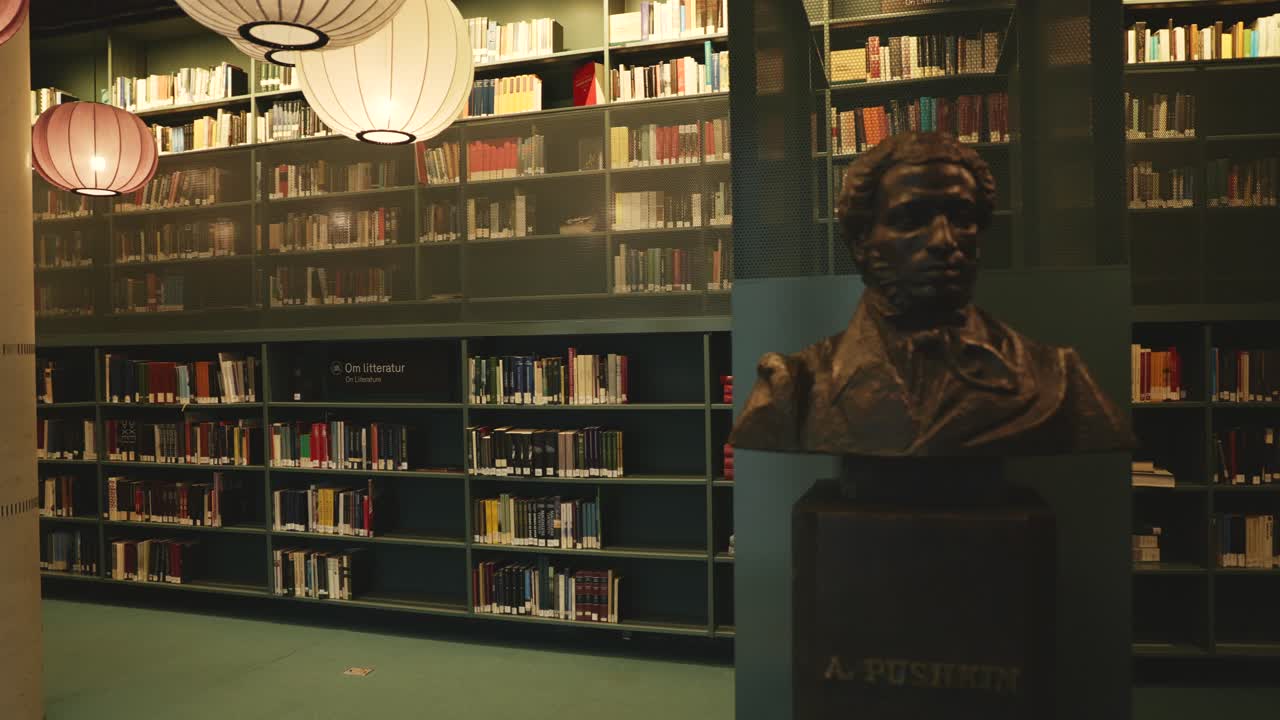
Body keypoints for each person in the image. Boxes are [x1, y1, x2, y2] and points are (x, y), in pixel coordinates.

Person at [729, 132, 1131, 456]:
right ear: (861, 241)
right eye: (910, 220)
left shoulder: (1057, 380)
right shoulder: (794, 389)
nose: (943, 241)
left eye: (962, 218)